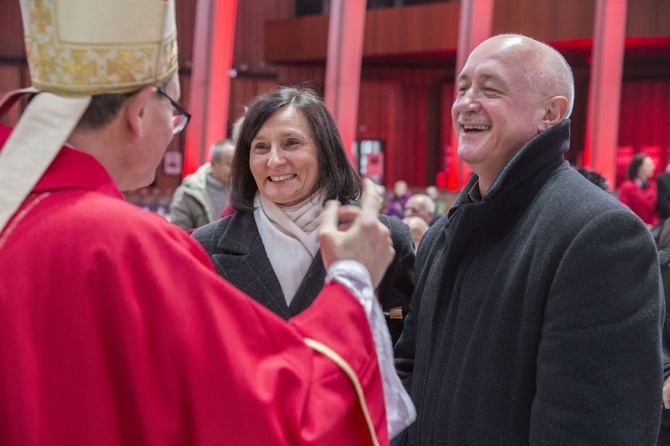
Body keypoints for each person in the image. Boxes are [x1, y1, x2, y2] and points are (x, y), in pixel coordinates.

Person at [0, 1, 415, 443]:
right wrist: (352, 281)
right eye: (175, 111)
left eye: (292, 143)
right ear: (139, 112)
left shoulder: (17, 217)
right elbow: (274, 416)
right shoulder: (128, 244)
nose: (275, 160)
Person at [393, 34, 664, 445]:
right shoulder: (440, 236)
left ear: (551, 113)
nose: (467, 102)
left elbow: (594, 428)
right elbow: (409, 371)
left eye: (490, 88)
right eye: (463, 87)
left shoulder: (600, 234)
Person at [193, 86, 415, 345]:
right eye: (261, 147)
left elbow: (407, 358)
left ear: (325, 151)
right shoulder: (205, 248)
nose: (274, 161)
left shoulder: (384, 239)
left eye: (291, 143)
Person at [169, 139, 235, 230]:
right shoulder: (190, 192)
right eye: (230, 164)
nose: (235, 169)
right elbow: (180, 232)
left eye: (237, 164)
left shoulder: (242, 190)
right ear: (213, 164)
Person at [618, 152, 658, 228]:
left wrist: (654, 224)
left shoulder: (654, 186)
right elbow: (625, 210)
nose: (653, 167)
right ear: (639, 167)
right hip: (634, 228)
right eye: (649, 165)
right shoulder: (626, 187)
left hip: (654, 229)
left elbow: (658, 211)